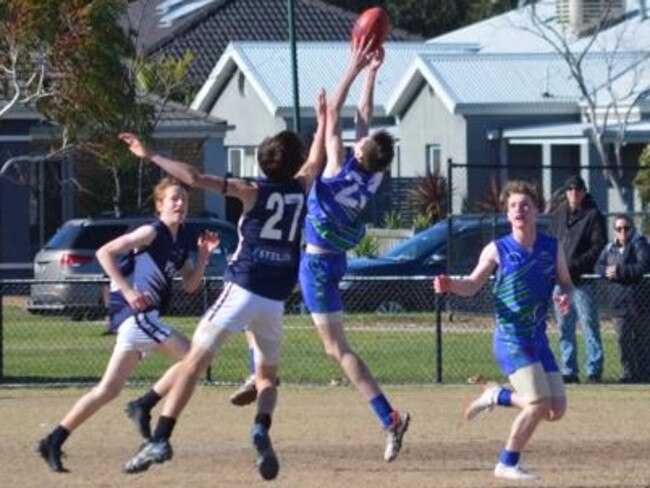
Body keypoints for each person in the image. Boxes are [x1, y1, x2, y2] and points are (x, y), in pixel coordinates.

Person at [117, 86, 328, 479]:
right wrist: (325, 116)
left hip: (243, 286)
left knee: (194, 361)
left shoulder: (252, 190)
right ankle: (261, 429)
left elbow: (194, 177)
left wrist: (151, 154)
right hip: (275, 298)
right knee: (266, 376)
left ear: (264, 163)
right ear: (294, 163)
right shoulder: (301, 188)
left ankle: (161, 436)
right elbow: (317, 158)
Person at [36, 176, 219, 472]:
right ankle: (144, 405)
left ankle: (53, 440)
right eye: (174, 198)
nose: (180, 204)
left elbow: (190, 286)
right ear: (159, 205)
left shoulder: (180, 239)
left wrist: (203, 259)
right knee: (197, 357)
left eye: (184, 199)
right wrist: (129, 290)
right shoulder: (151, 231)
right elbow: (104, 252)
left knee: (108, 390)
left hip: (145, 320)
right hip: (138, 317)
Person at [297, 40, 410, 463]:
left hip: (318, 263)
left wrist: (353, 67)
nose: (356, 141)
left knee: (337, 350)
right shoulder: (374, 179)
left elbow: (336, 117)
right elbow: (360, 119)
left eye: (361, 142)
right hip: (327, 257)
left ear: (361, 151)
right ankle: (257, 373)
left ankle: (388, 417)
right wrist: (372, 73)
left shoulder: (336, 166)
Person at [434, 180, 574, 481]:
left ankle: (497, 395)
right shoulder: (498, 249)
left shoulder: (552, 247)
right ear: (507, 214)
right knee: (537, 403)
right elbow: (472, 285)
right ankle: (506, 463)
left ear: (537, 210)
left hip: (537, 339)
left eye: (525, 205)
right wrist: (450, 286)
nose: (519, 210)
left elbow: (566, 282)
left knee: (555, 409)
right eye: (513, 206)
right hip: (511, 339)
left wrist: (565, 296)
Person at [549, 175, 606, 383]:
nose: (574, 193)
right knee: (564, 327)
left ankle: (594, 369)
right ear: (566, 192)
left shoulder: (593, 215)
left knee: (589, 325)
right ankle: (568, 370)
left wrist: (573, 266)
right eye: (570, 189)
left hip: (582, 282)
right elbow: (550, 243)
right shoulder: (558, 215)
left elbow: (597, 247)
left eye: (578, 189)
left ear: (584, 192)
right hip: (560, 284)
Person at [594, 214, 650, 383]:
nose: (623, 232)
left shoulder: (640, 245)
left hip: (640, 303)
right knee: (622, 341)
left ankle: (644, 374)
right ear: (614, 231)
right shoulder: (610, 248)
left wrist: (620, 271)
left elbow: (643, 265)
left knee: (642, 340)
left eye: (626, 228)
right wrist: (605, 272)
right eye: (619, 229)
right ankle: (628, 374)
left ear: (632, 229)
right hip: (618, 304)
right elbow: (598, 266)